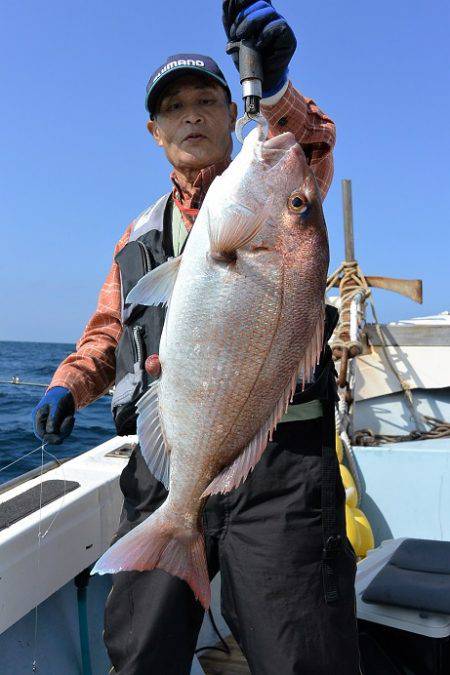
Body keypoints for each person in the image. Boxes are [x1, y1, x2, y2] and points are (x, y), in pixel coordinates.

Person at [32, 2, 361, 673]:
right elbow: (107, 334)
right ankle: (178, 537)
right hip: (174, 456)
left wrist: (273, 89)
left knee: (304, 652)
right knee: (143, 647)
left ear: (231, 116)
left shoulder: (281, 189)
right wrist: (69, 383)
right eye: (174, 106)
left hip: (281, 468)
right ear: (154, 131)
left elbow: (313, 144)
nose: (191, 115)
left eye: (207, 100)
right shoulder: (139, 240)